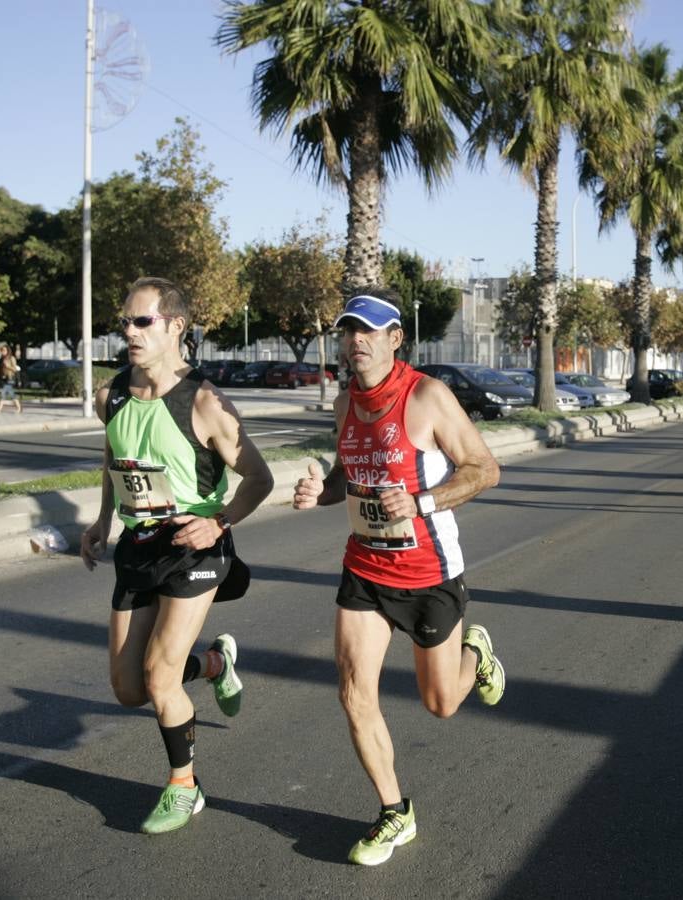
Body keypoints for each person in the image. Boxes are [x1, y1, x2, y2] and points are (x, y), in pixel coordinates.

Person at [292, 289, 506, 867]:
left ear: (395, 339)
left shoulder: (428, 398)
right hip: (365, 568)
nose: (355, 339)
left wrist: (422, 502)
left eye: (369, 329)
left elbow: (485, 469)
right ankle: (394, 811)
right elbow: (346, 477)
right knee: (353, 690)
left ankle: (475, 652)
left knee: (441, 704)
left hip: (430, 573)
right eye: (347, 330)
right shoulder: (342, 406)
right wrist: (322, 491)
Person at [79, 276, 275, 835]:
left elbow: (259, 479)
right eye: (125, 321)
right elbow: (116, 455)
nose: (129, 331)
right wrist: (102, 519)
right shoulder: (110, 395)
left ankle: (185, 787)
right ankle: (215, 664)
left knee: (161, 680)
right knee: (127, 688)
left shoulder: (206, 402)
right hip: (138, 546)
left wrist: (219, 522)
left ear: (175, 328)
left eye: (142, 321)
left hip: (195, 545)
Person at [0, 344, 22, 414]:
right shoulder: (2, 359)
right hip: (4, 378)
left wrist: (8, 366)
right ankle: (19, 408)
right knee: (12, 395)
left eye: (4, 350)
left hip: (10, 378)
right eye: (2, 350)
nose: (2, 352)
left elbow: (15, 369)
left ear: (8, 351)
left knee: (3, 392)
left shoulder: (12, 358)